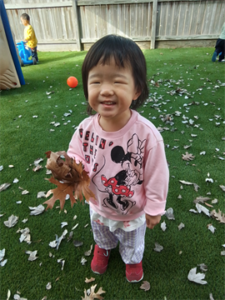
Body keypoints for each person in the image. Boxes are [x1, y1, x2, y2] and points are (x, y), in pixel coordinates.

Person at [67, 35, 169, 283]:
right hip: (99, 204)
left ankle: (133, 260)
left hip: (132, 211)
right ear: (87, 87)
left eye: (117, 81)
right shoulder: (85, 129)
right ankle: (103, 248)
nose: (106, 90)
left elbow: (158, 174)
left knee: (132, 240)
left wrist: (155, 207)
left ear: (136, 89)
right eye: (97, 81)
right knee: (101, 231)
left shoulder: (146, 135)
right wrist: (70, 168)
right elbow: (75, 154)